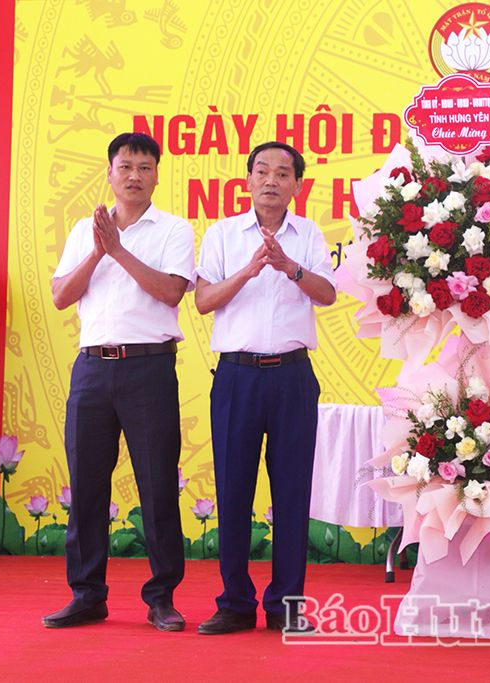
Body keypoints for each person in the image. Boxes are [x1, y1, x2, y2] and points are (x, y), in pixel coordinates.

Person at [45, 132, 194, 631]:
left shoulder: (174, 229)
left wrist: (119, 251)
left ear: (156, 175)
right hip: (91, 369)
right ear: (109, 172)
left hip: (148, 368)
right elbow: (62, 296)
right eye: (125, 165)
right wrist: (97, 250)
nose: (134, 175)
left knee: (157, 485)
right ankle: (87, 594)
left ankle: (161, 597)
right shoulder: (81, 230)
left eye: (144, 167)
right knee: (87, 484)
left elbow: (171, 292)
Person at [194, 142, 336, 634]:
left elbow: (328, 292)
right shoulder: (222, 235)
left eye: (282, 173)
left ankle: (286, 607)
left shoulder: (310, 234)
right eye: (262, 171)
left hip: (293, 376)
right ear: (248, 180)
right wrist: (250, 270)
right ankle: (234, 602)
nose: (271, 180)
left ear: (297, 184)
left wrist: (288, 267)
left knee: (292, 492)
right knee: (233, 489)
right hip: (236, 376)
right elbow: (203, 301)